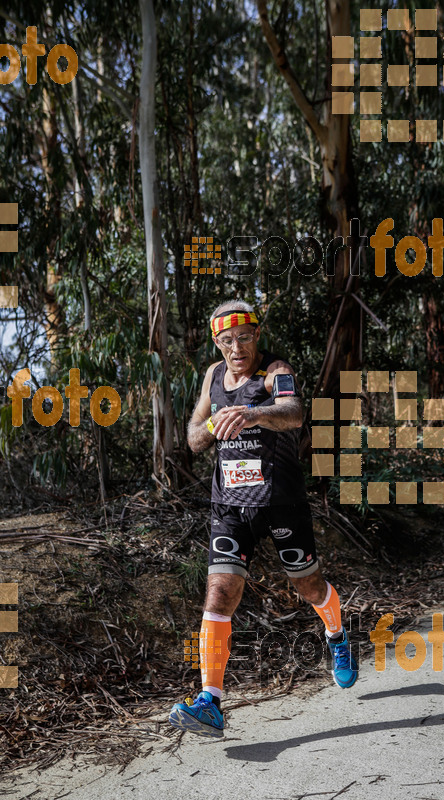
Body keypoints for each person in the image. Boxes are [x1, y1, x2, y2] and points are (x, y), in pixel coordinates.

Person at [169, 300, 357, 738]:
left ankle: (337, 635)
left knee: (308, 585)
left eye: (245, 337)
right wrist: (216, 422)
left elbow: (294, 413)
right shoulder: (212, 377)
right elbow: (194, 437)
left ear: (257, 334)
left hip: (281, 500)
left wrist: (252, 413)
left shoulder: (275, 371)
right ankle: (210, 702)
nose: (237, 347)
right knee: (220, 591)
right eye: (227, 340)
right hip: (230, 506)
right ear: (217, 343)